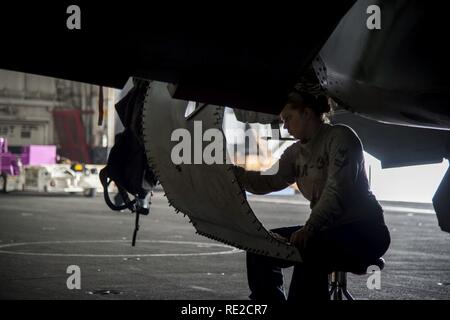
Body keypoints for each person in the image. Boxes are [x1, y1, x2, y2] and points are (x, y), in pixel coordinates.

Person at [233, 90, 391, 301]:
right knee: (261, 247)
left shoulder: (341, 138)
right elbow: (269, 181)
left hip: (365, 231)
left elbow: (336, 191)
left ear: (306, 113)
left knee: (311, 251)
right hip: (325, 230)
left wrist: (310, 228)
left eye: (288, 118)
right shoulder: (295, 152)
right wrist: (233, 173)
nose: (285, 126)